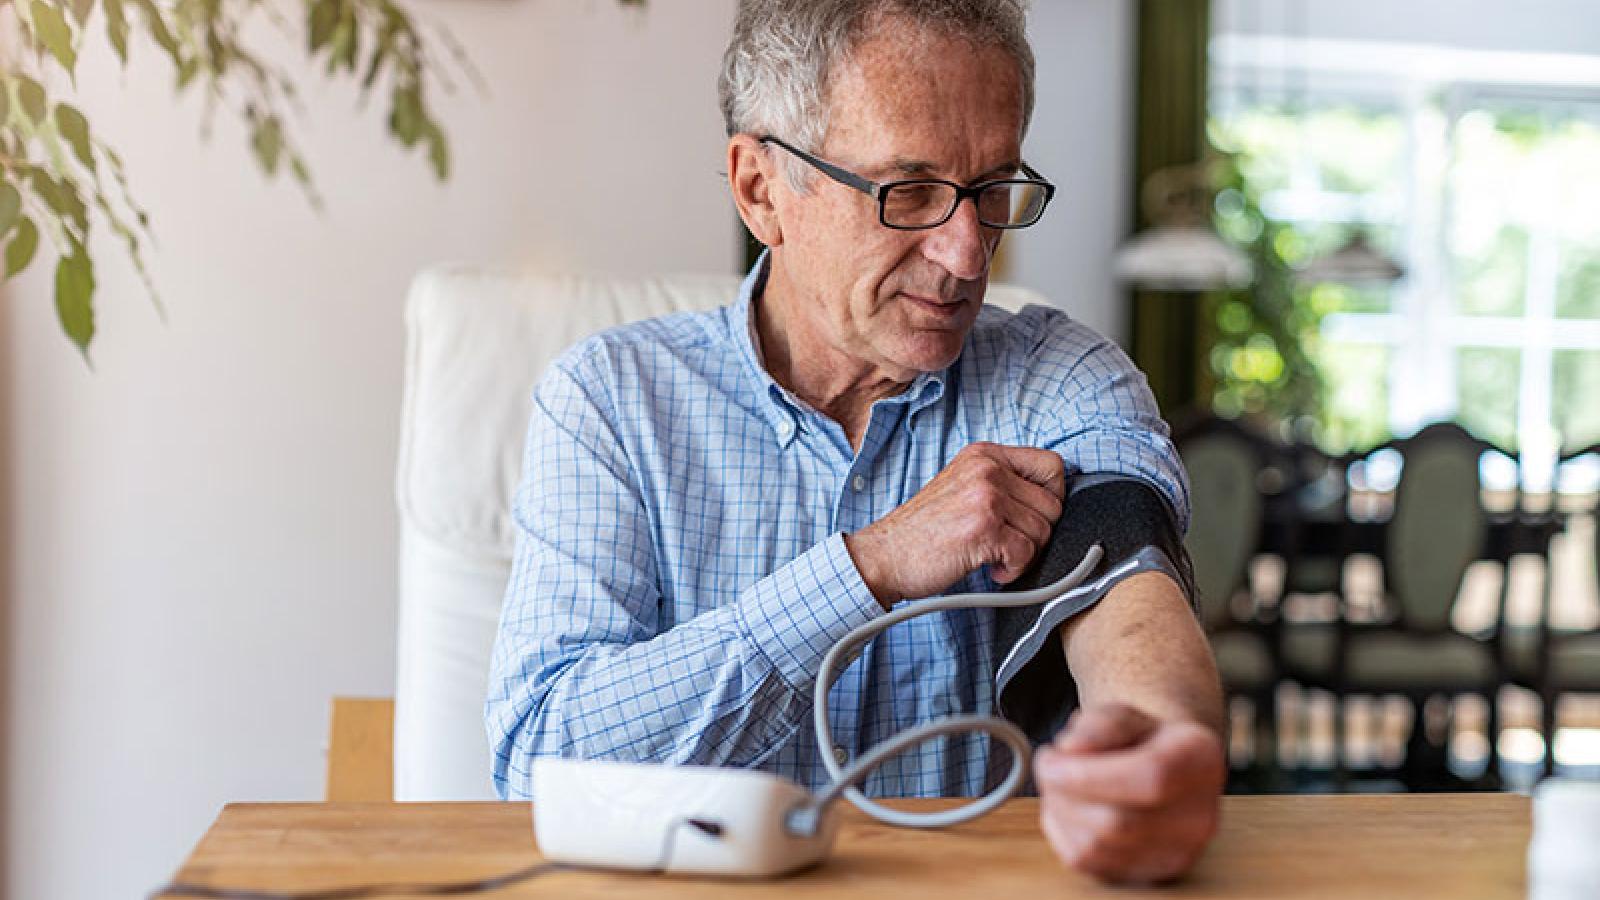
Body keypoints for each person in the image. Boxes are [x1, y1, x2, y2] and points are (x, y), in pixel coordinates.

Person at [486, 0, 1225, 883]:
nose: (966, 255)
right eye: (907, 192)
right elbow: (540, 766)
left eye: (992, 190)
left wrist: (1160, 746)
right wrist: (868, 566)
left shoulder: (1058, 378)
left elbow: (1130, 594)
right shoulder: (608, 403)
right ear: (762, 190)